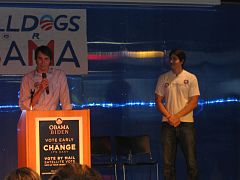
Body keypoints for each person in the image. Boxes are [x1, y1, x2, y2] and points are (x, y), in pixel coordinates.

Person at [155, 49, 200, 180]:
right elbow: (158, 101)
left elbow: (194, 102)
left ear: (182, 61)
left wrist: (177, 116)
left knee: (191, 162)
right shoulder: (163, 78)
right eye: (170, 59)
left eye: (174, 59)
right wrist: (170, 116)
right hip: (167, 124)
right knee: (168, 164)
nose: (171, 61)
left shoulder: (191, 77)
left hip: (186, 124)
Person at [19, 45, 72, 111]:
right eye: (40, 59)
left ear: (50, 60)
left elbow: (66, 102)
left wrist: (68, 119)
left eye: (46, 59)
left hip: (53, 118)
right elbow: (24, 106)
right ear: (36, 60)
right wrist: (40, 89)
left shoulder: (59, 75)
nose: (43, 62)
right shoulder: (27, 78)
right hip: (34, 117)